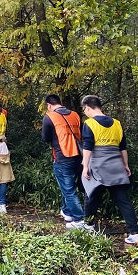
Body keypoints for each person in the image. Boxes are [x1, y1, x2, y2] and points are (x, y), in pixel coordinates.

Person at [80, 95, 138, 244]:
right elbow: (123, 147)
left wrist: (85, 166)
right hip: (116, 166)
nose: (84, 112)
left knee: (91, 195)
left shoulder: (89, 123)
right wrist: (125, 165)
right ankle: (134, 233)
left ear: (87, 107)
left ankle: (88, 225)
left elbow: (88, 147)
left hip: (99, 166)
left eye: (84, 109)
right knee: (123, 201)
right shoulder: (117, 123)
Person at [42, 94, 89, 230]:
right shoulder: (75, 115)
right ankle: (67, 212)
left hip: (62, 156)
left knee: (69, 190)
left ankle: (79, 219)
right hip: (79, 156)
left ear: (49, 105)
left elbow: (45, 138)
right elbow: (81, 133)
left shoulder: (49, 117)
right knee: (68, 186)